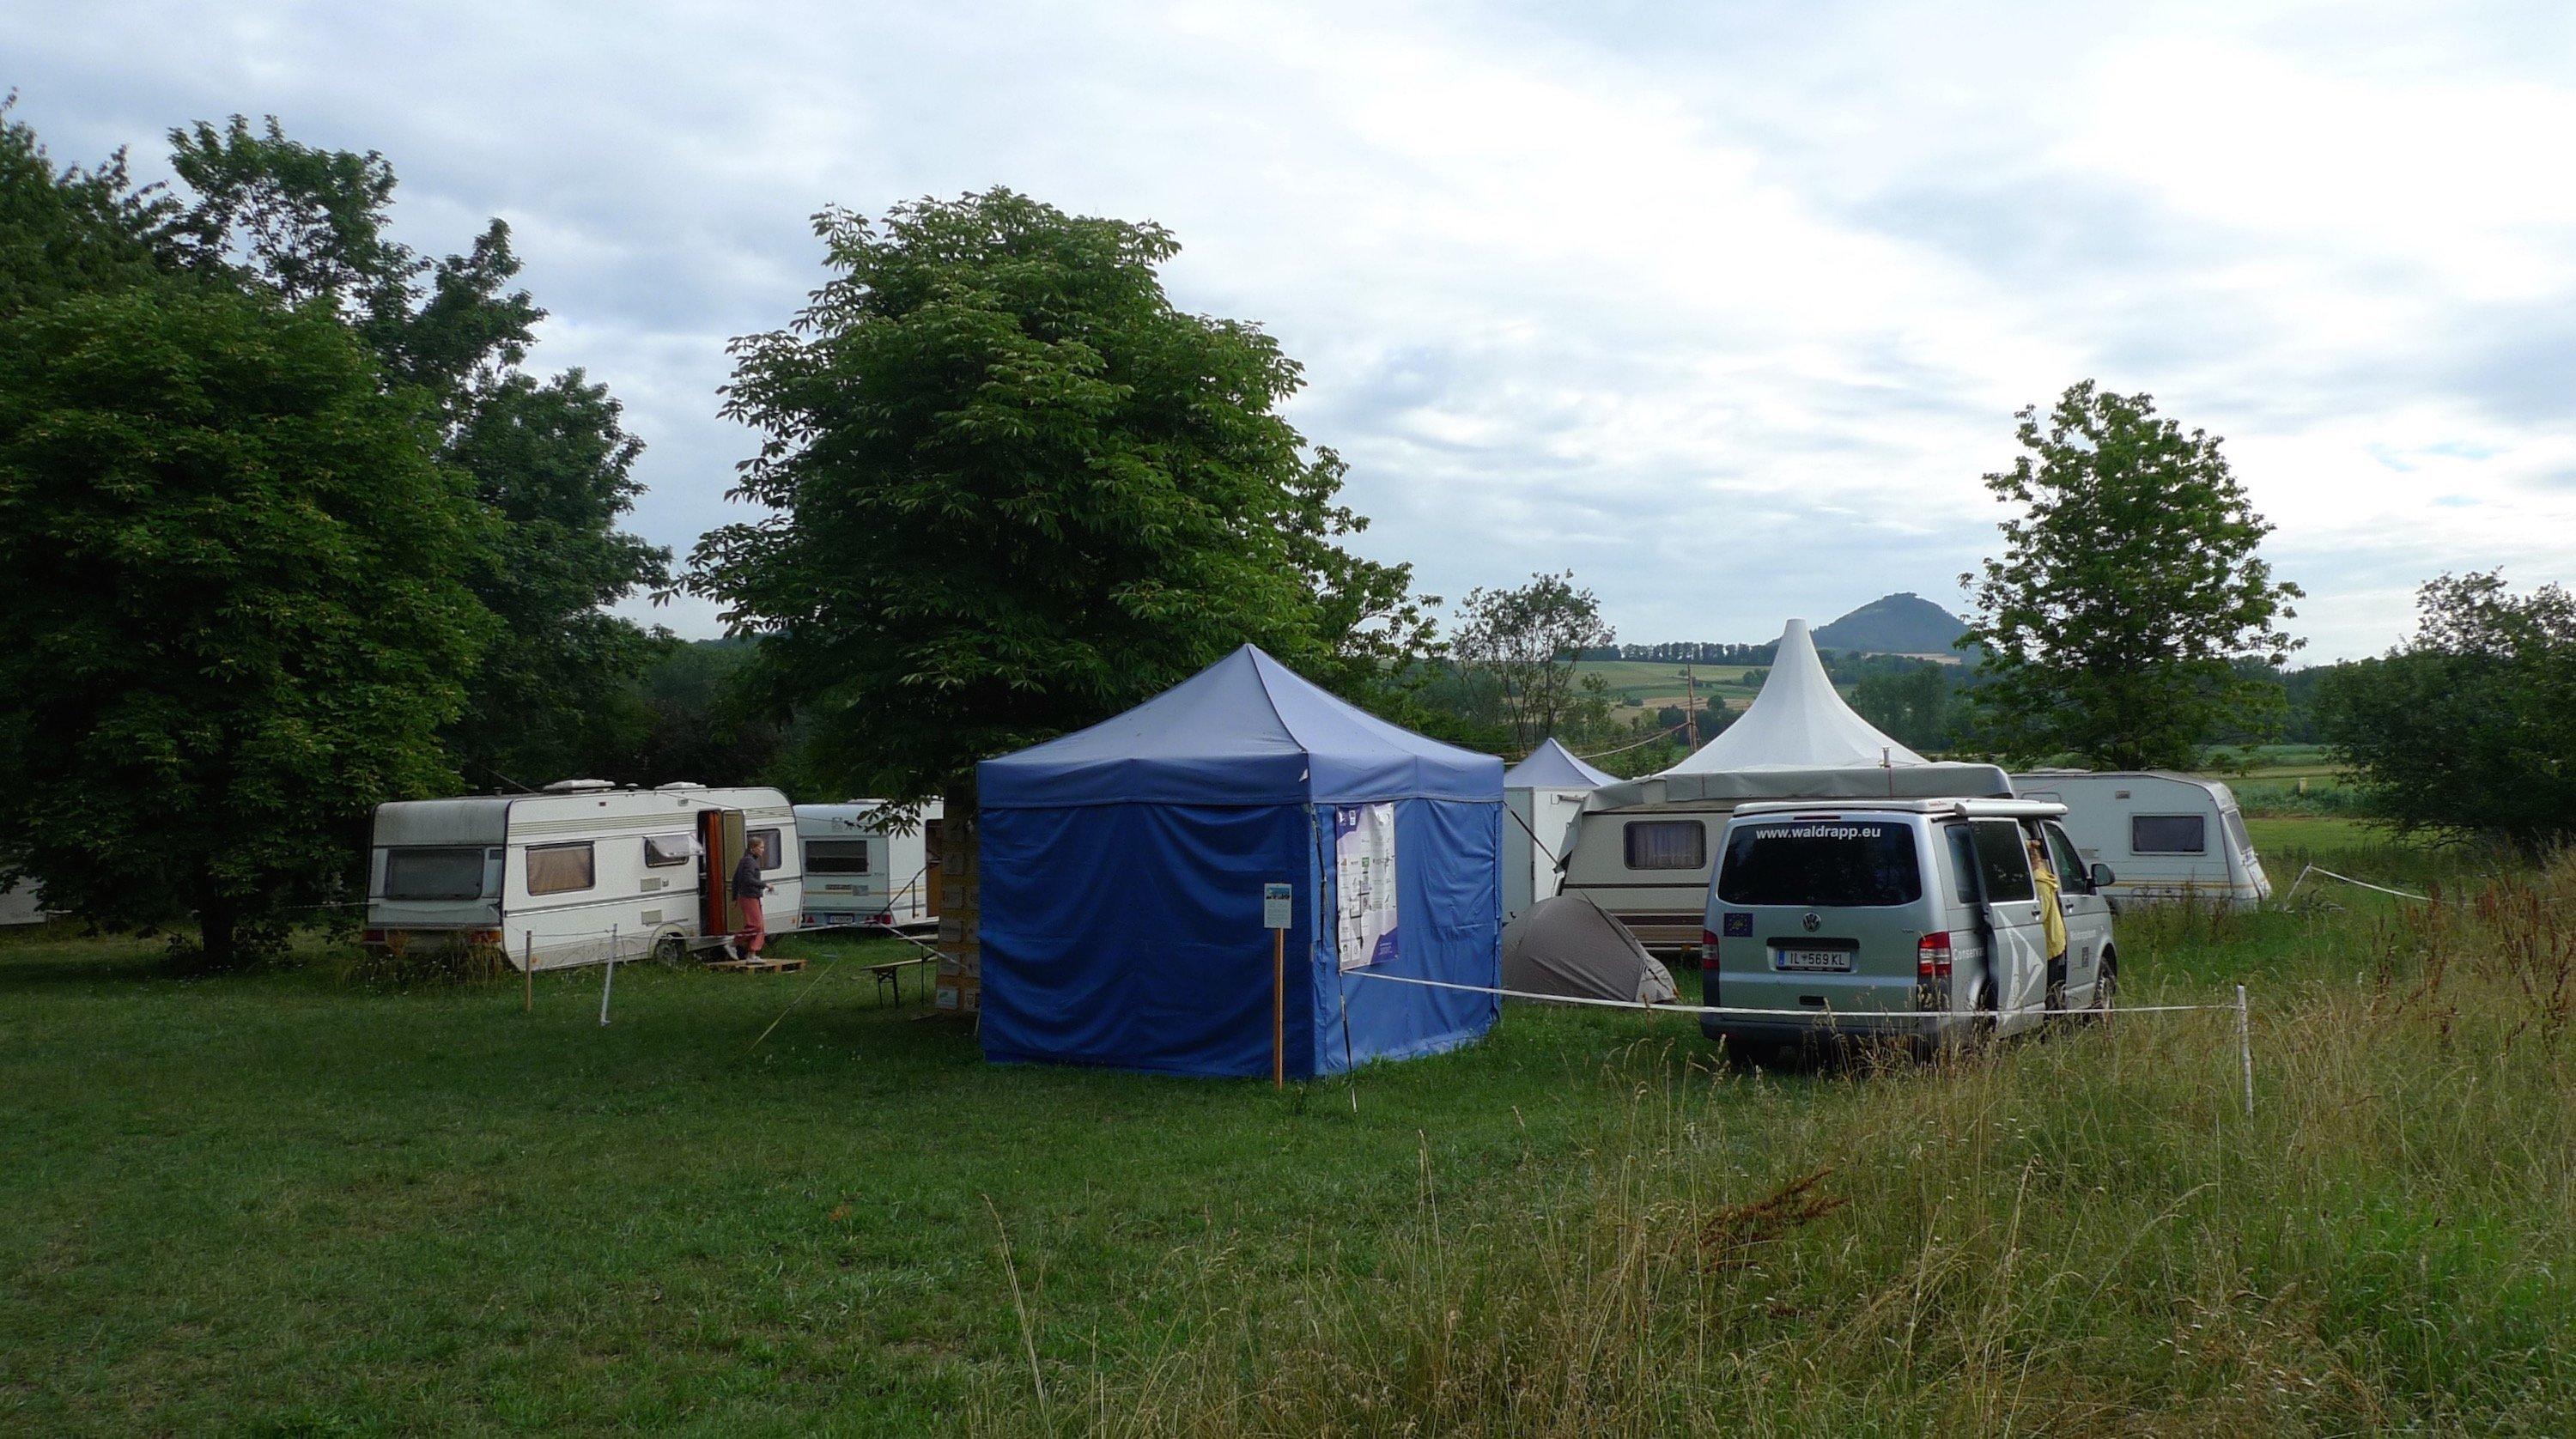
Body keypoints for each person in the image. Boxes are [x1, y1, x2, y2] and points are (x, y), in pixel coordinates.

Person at [2027, 832, 2067, 1005]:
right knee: (2052, 986)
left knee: (2049, 988)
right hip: (2054, 940)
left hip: (2049, 944)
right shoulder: (2043, 875)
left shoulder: (2040, 884)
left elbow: (2039, 916)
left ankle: (2052, 1021)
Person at [729, 835, 770, 959]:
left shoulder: (747, 860)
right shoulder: (749, 861)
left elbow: (735, 878)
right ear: (753, 848)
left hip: (753, 896)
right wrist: (765, 885)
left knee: (761, 926)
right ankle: (733, 943)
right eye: (761, 847)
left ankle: (752, 953)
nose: (763, 850)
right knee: (755, 925)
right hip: (749, 897)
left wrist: (735, 895)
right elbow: (747, 879)